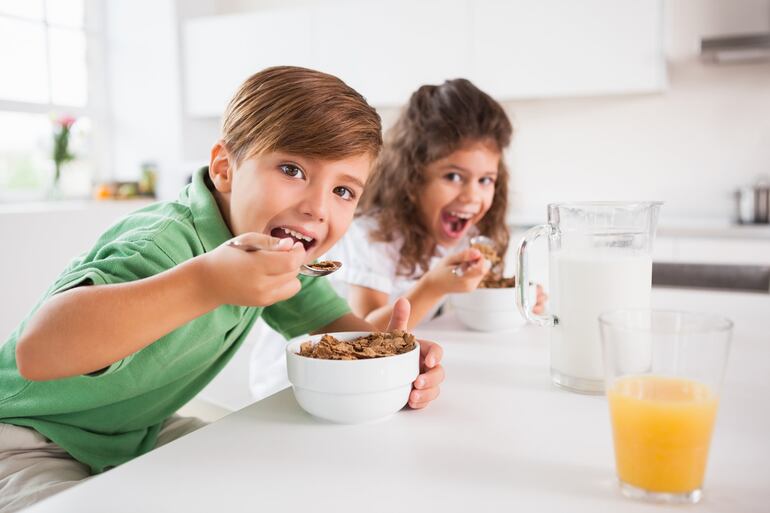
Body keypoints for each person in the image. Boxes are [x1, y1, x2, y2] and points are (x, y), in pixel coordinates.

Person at [0, 66, 444, 512]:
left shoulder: (280, 260)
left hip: (133, 432)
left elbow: (336, 328)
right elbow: (37, 352)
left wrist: (395, 356)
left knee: (273, 477)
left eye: (344, 191)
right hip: (27, 435)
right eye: (292, 169)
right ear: (225, 168)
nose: (317, 208)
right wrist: (205, 282)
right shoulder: (163, 243)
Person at [326, 78, 546, 330]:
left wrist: (516, 301)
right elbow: (365, 334)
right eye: (453, 177)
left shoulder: (470, 233)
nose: (473, 197)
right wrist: (434, 286)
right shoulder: (371, 236)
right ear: (413, 177)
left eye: (485, 180)